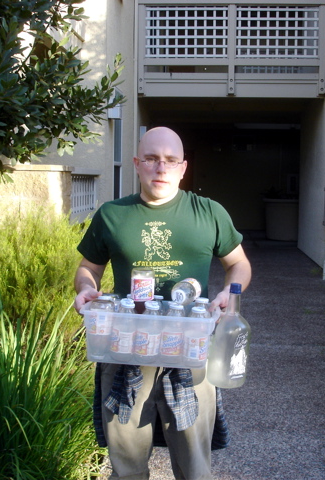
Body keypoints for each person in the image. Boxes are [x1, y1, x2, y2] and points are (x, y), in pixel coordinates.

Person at [73, 126, 252, 480]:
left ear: (183, 168)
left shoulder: (209, 212)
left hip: (190, 352)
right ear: (138, 164)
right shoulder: (112, 214)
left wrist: (227, 296)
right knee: (126, 468)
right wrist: (85, 288)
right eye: (152, 159)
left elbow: (239, 263)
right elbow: (87, 268)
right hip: (125, 350)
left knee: (195, 467)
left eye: (170, 160)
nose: (161, 168)